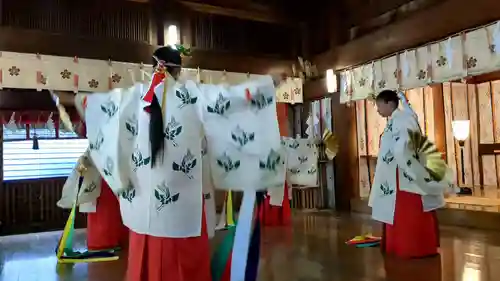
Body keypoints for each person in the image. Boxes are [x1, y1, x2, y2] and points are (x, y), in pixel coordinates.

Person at [54, 46, 284, 281]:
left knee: (147, 248)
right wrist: (267, 86)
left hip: (144, 203)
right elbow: (229, 99)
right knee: (182, 253)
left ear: (153, 67)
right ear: (179, 70)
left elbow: (98, 107)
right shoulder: (193, 94)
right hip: (184, 203)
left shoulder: (135, 96)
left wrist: (72, 99)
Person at [369, 89, 450, 259]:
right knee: (397, 208)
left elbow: (405, 144)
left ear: (389, 103)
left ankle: (411, 246)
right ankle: (399, 245)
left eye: (379, 106)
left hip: (404, 173)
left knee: (407, 209)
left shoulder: (403, 118)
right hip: (397, 173)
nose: (377, 110)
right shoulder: (398, 119)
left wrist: (401, 159)